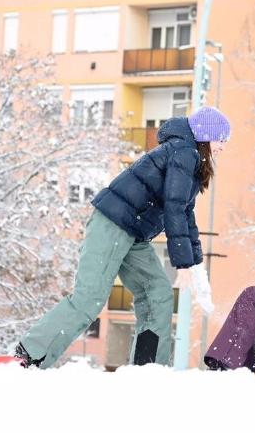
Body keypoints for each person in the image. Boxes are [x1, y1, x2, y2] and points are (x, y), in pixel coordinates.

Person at [16, 106, 231, 369]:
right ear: (205, 136)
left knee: (158, 293)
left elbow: (186, 214)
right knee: (90, 297)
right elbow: (174, 206)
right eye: (220, 140)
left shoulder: (188, 157)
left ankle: (147, 368)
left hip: (134, 233)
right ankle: (29, 355)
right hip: (113, 224)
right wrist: (183, 263)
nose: (222, 147)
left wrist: (197, 268)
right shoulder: (184, 152)